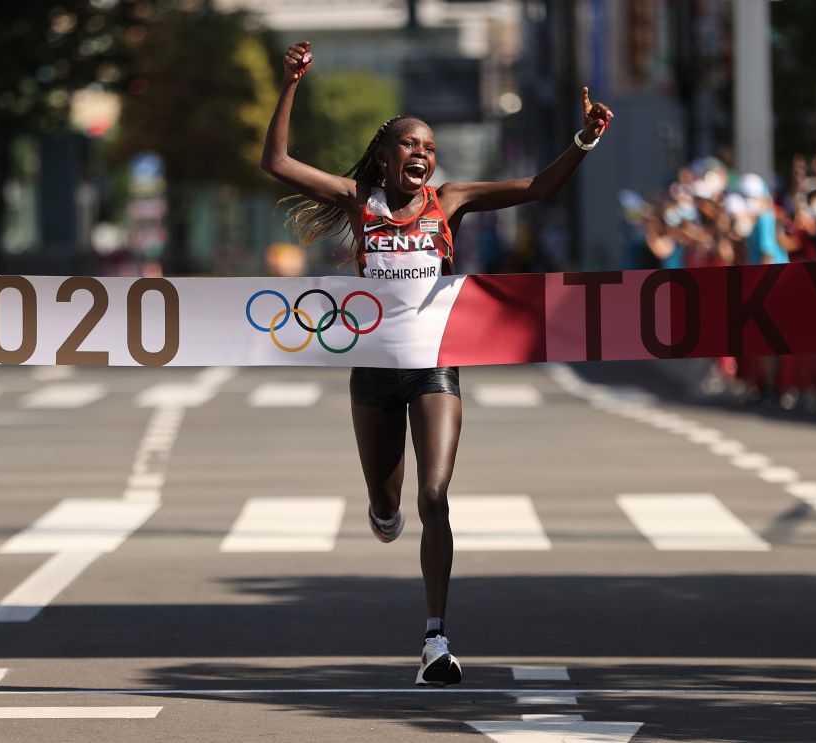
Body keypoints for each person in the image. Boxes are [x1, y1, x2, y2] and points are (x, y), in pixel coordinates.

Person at [260, 41, 613, 687]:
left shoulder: (449, 201)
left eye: (428, 146)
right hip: (372, 370)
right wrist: (290, 84)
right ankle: (379, 507)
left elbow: (538, 186)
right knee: (388, 503)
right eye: (408, 145)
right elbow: (276, 160)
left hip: (435, 367)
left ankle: (436, 639)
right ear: (385, 155)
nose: (421, 153)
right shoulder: (358, 199)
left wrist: (584, 142)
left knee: (435, 494)